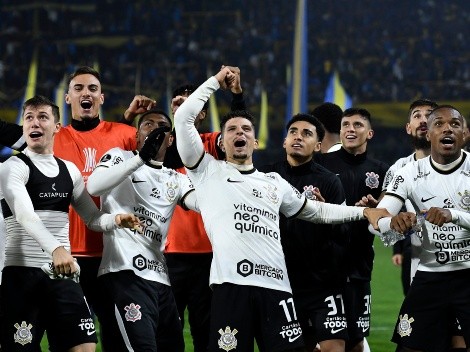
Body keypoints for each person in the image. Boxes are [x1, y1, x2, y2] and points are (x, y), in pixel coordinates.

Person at [174, 67, 389, 352]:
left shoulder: (274, 182)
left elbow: (316, 211)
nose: (240, 132)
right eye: (232, 130)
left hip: (277, 289)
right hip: (232, 286)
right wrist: (215, 81)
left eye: (246, 129)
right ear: (222, 144)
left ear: (256, 142)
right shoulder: (206, 172)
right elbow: (183, 117)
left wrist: (362, 213)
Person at [0, 95, 140, 352]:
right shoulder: (12, 167)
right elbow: (25, 215)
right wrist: (57, 249)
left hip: (62, 274)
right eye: (29, 118)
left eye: (42, 117)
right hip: (22, 276)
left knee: (84, 346)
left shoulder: (70, 170)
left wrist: (116, 220)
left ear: (57, 126)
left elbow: (92, 218)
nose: (34, 123)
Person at [54, 66, 156, 330]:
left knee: (117, 332)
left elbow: (162, 153)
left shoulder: (123, 134)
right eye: (78, 88)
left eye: (92, 89)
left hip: (114, 255)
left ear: (101, 98)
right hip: (68, 253)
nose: (85, 93)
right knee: (72, 337)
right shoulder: (53, 138)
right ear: (68, 98)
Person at [87, 109, 196, 351]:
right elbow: (94, 187)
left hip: (161, 279)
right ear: (137, 136)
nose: (155, 129)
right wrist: (140, 158)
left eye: (162, 126)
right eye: (148, 124)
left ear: (171, 139)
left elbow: (198, 203)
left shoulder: (176, 178)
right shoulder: (119, 156)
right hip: (124, 273)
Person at [374, 105, 470, 352]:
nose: (447, 128)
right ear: (428, 134)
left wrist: (453, 215)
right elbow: (377, 223)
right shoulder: (408, 174)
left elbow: (455, 216)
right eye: (439, 124)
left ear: (465, 134)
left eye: (455, 124)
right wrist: (391, 223)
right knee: (408, 347)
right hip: (430, 275)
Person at [164, 66, 246, 352]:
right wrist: (176, 122)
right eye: (180, 102)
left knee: (206, 331)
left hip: (210, 255)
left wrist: (236, 96)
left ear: (201, 111)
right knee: (168, 331)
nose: (187, 106)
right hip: (170, 255)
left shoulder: (213, 142)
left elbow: (239, 131)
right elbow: (175, 153)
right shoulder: (164, 145)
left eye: (193, 102)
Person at [260, 113, 350, 352]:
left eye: (307, 134)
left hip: (323, 282)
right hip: (281, 282)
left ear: (318, 146)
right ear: (284, 141)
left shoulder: (330, 182)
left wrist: (324, 215)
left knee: (334, 347)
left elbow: (344, 234)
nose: (298, 137)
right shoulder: (266, 177)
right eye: (293, 132)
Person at [316, 107, 389, 352]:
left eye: (357, 125)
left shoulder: (381, 171)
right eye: (346, 125)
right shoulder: (320, 164)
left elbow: (387, 221)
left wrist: (380, 207)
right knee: (325, 341)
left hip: (359, 267)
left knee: (356, 339)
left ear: (369, 133)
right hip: (323, 267)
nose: (350, 129)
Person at [381, 99, 437, 295]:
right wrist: (382, 217)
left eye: (429, 114)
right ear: (408, 127)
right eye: (417, 116)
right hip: (417, 263)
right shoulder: (398, 170)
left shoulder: (465, 165)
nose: (423, 120)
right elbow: (382, 230)